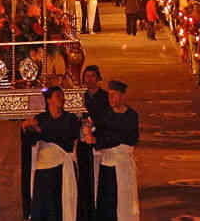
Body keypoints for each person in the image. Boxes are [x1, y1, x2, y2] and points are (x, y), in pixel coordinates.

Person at [22, 86, 81, 221]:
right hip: (44, 169)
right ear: (49, 100)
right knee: (43, 206)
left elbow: (67, 139)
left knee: (60, 206)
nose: (62, 99)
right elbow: (31, 140)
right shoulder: (41, 118)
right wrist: (25, 128)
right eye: (58, 96)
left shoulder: (70, 118)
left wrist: (41, 131)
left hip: (61, 167)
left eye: (62, 96)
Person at [92, 80, 139, 221]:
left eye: (114, 95)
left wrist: (102, 140)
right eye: (109, 95)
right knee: (107, 204)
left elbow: (130, 138)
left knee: (124, 201)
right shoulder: (105, 115)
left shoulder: (131, 115)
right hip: (107, 166)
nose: (110, 98)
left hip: (123, 165)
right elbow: (99, 135)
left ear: (123, 96)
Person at [78, 66, 109, 221]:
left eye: (92, 76)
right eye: (86, 76)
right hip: (83, 143)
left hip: (98, 141)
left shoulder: (104, 97)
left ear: (98, 78)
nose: (89, 79)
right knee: (84, 176)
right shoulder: (80, 96)